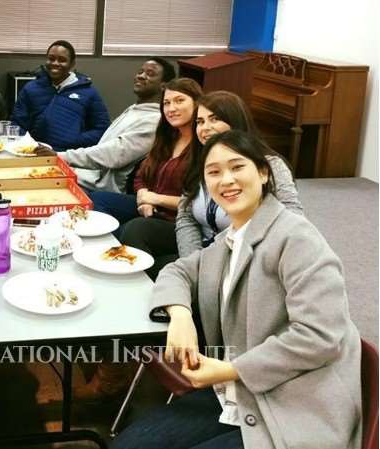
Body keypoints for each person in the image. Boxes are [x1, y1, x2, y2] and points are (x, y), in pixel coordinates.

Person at [111, 130, 362, 449]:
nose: (226, 180)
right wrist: (180, 315)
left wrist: (230, 369)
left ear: (263, 172)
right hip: (238, 392)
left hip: (295, 406)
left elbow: (320, 336)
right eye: (214, 172)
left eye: (237, 167)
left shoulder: (297, 239)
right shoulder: (230, 238)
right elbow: (178, 270)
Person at [176, 91, 303, 258]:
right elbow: (185, 217)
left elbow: (292, 215)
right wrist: (194, 261)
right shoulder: (198, 161)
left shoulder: (269, 164)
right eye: (200, 122)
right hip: (203, 252)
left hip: (249, 255)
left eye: (215, 119)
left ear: (235, 121)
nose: (205, 128)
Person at [90, 78, 202, 230]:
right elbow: (140, 176)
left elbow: (199, 203)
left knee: (134, 229)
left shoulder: (203, 143)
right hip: (150, 208)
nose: (171, 108)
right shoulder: (167, 137)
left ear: (196, 103)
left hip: (179, 220)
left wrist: (156, 199)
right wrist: (144, 197)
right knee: (97, 199)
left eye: (179, 101)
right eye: (166, 103)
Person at [53, 57, 175, 193]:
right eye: (140, 71)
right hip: (87, 175)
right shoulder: (136, 109)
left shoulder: (154, 120)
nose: (141, 76)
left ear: (164, 86)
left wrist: (62, 157)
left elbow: (112, 156)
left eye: (150, 74)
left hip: (99, 188)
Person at [12, 40, 110, 151]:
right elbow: (17, 123)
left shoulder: (88, 92)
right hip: (35, 153)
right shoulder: (31, 88)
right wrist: (30, 145)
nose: (55, 63)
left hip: (70, 155)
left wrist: (75, 141)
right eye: (51, 58)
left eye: (62, 60)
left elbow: (102, 129)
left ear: (72, 64)